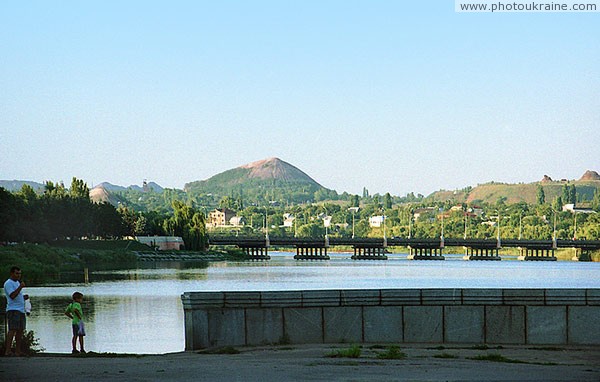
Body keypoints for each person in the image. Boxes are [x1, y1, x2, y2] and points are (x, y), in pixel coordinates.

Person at [4, 266, 26, 356]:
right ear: (12, 273)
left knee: (20, 330)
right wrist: (20, 287)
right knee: (12, 330)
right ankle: (8, 351)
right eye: (17, 273)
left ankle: (17, 351)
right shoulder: (8, 283)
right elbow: (12, 295)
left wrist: (23, 298)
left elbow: (17, 295)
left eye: (20, 273)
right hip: (13, 310)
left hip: (21, 310)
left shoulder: (17, 282)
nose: (19, 275)